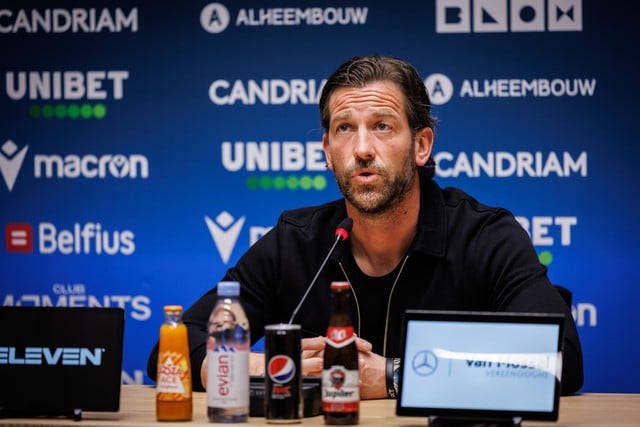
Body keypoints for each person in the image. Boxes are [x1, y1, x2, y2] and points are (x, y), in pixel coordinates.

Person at [147, 55, 584, 398]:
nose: (361, 149)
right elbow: (174, 349)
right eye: (344, 128)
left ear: (421, 145)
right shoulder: (294, 241)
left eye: (382, 127)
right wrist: (273, 363)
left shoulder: (485, 236)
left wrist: (394, 375)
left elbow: (558, 361)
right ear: (327, 151)